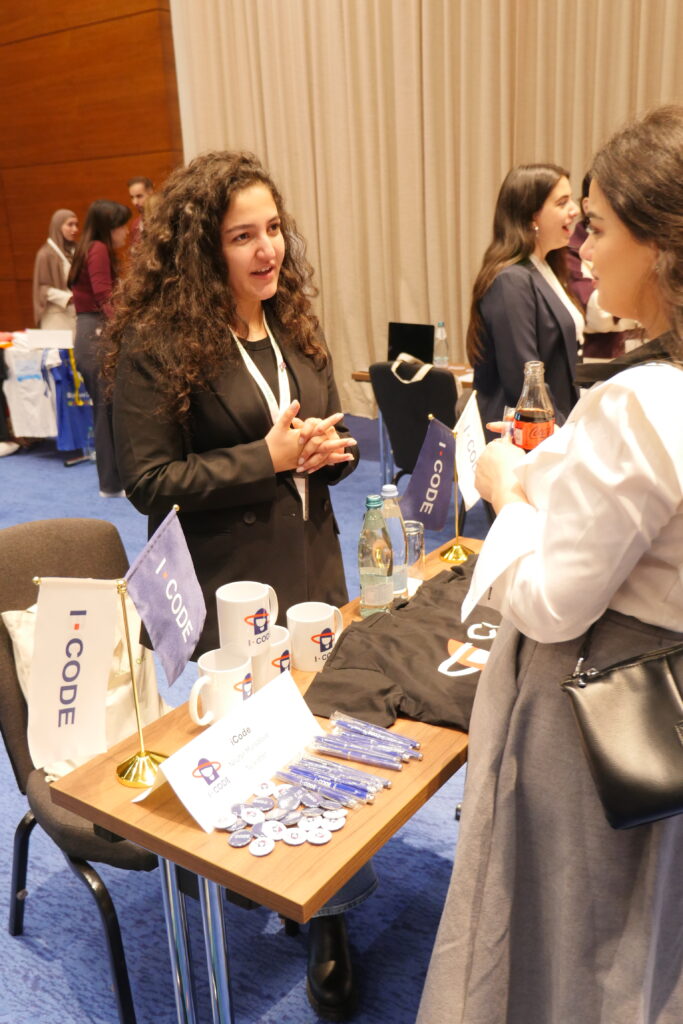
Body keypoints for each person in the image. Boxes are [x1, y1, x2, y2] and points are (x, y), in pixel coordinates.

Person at [418, 104, 683, 1024]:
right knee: (640, 935)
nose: (585, 249)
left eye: (600, 227)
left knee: (563, 937)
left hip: (588, 713)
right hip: (658, 704)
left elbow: (551, 601)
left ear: (658, 244)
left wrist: (504, 491)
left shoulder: (643, 403)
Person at [105, 151, 368, 1020]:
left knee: (324, 728)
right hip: (227, 579)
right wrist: (267, 458)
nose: (267, 251)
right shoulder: (158, 342)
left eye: (273, 229)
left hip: (312, 560)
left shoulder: (291, 324)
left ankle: (326, 913)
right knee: (254, 734)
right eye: (241, 236)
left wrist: (334, 455)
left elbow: (320, 434)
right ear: (200, 249)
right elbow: (149, 481)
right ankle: (263, 876)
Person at [466, 164, 583, 442]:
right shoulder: (512, 280)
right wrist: (562, 436)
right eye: (562, 202)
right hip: (524, 436)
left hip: (552, 426)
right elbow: (523, 377)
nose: (576, 209)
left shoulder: (545, 268)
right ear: (533, 216)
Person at [68, 199, 131, 496]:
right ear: (109, 227)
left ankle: (112, 481)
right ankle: (111, 482)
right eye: (121, 225)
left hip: (89, 331)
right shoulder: (99, 249)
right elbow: (104, 295)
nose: (126, 231)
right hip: (95, 333)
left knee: (106, 410)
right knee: (108, 410)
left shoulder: (89, 247)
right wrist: (125, 327)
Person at [567, 170, 640, 358]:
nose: (572, 210)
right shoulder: (570, 251)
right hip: (599, 359)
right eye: (561, 202)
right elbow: (599, 315)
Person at [32, 209, 79, 331]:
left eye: (76, 225)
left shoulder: (77, 250)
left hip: (76, 314)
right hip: (56, 318)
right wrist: (67, 298)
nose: (75, 229)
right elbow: (41, 289)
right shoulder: (45, 254)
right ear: (58, 226)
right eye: (70, 224)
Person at [127, 175, 154, 246]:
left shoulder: (164, 219)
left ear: (151, 193)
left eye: (139, 196)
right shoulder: (135, 225)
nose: (135, 202)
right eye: (132, 197)